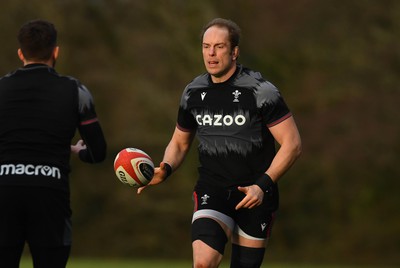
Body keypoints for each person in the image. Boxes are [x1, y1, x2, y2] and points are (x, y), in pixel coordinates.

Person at [138, 18, 301, 268]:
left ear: (234, 52)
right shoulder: (193, 91)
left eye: (219, 46)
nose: (211, 53)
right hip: (212, 190)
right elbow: (180, 143)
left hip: (256, 194)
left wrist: (262, 185)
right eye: (206, 46)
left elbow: (292, 144)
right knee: (203, 263)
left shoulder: (261, 91)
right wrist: (166, 167)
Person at [0, 19, 107, 268]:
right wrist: (78, 152)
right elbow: (98, 151)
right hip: (49, 193)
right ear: (55, 51)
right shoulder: (76, 91)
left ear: (20, 53)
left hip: (3, 190)